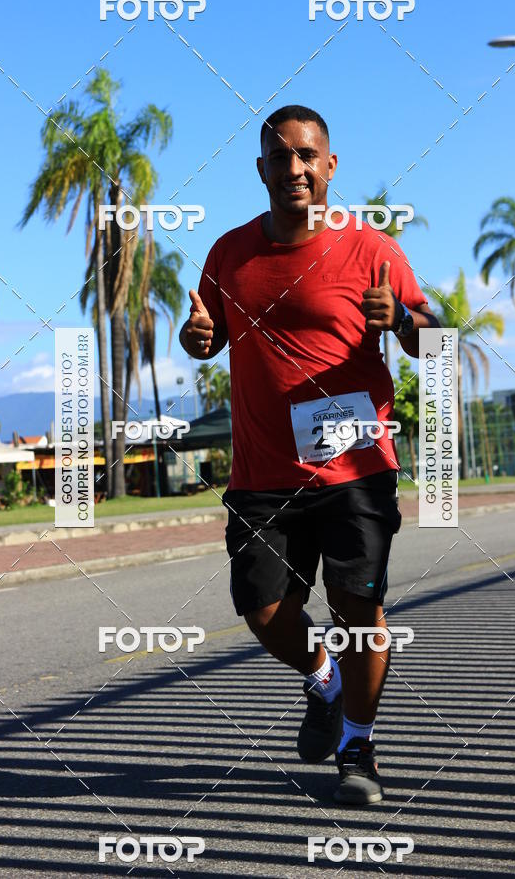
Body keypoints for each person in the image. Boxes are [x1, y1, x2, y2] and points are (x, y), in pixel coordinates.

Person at [179, 105, 440, 805]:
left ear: (328, 165)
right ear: (261, 168)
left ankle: (359, 745)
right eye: (279, 156)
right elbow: (205, 333)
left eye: (307, 155)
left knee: (360, 606)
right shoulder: (230, 254)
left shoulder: (372, 249)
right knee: (262, 607)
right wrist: (194, 338)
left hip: (355, 464)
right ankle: (323, 679)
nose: (293, 167)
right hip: (264, 470)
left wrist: (408, 322)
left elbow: (432, 336)